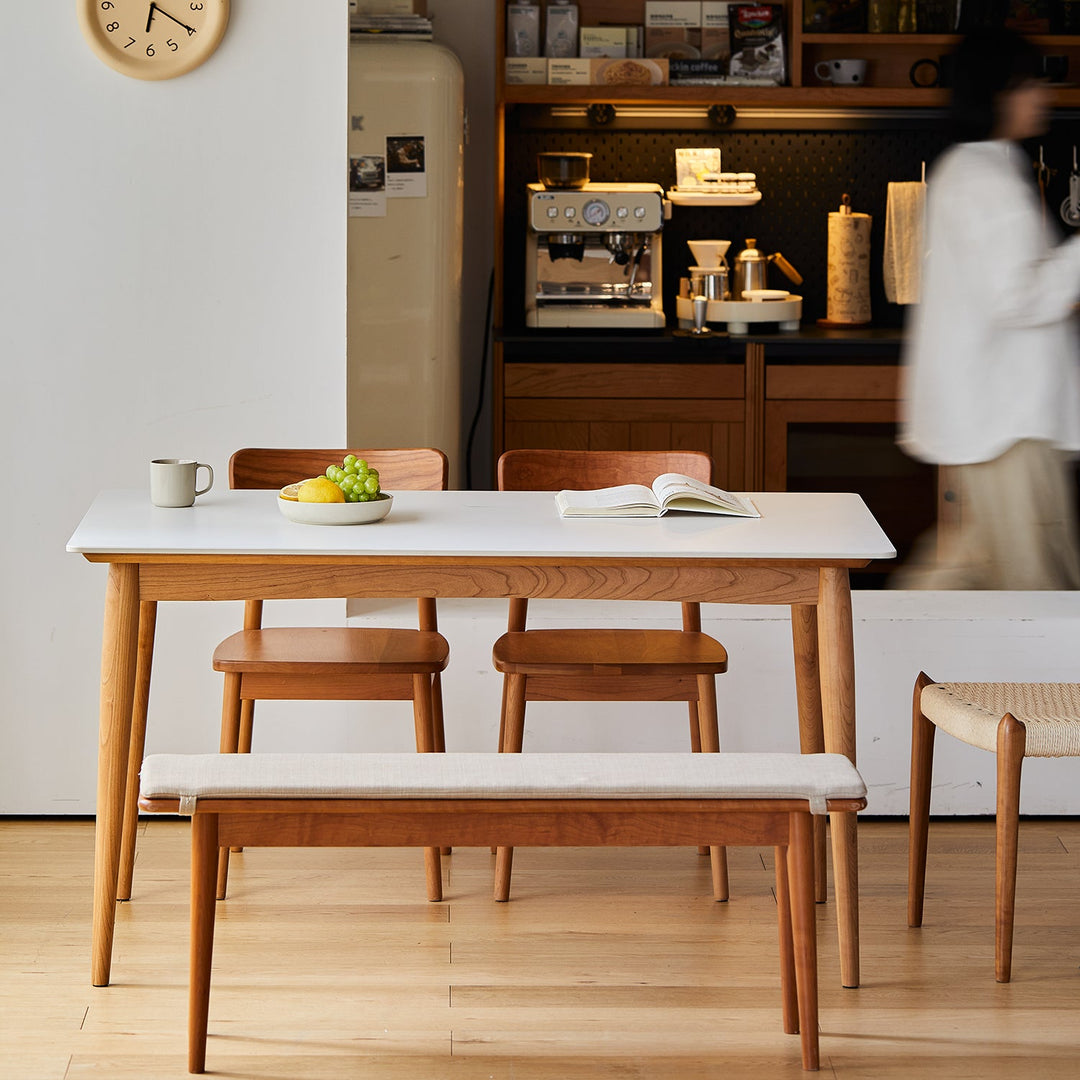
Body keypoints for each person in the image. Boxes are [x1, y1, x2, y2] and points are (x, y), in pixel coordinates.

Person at [897, 27, 1080, 589]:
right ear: (996, 94)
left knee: (979, 568)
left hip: (1004, 417)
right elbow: (1017, 295)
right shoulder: (983, 177)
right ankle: (872, 628)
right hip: (1010, 419)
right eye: (1028, 84)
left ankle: (880, 633)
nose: (1042, 95)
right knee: (1035, 585)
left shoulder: (982, 168)